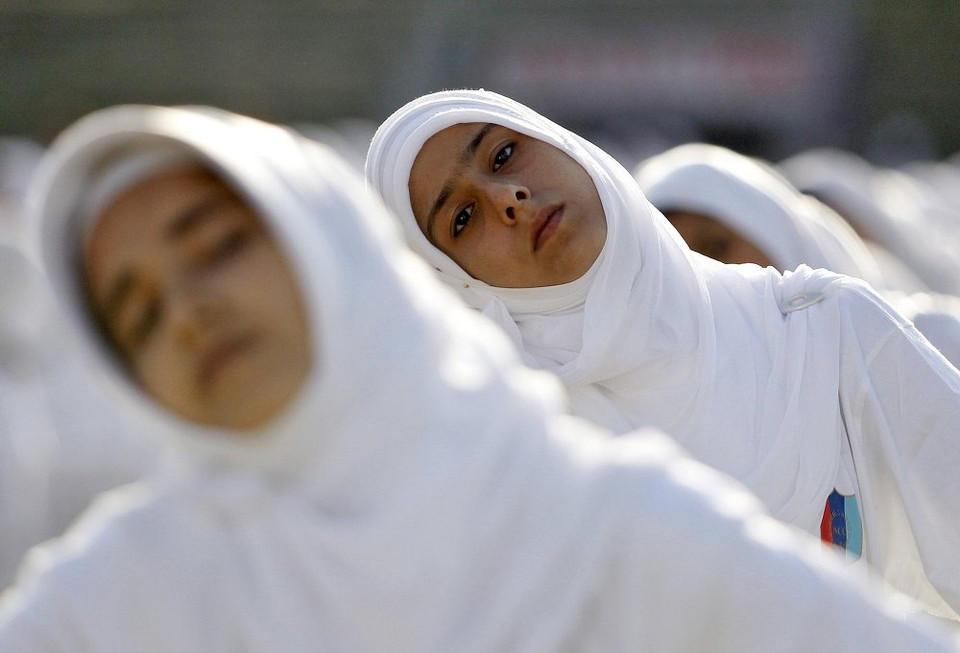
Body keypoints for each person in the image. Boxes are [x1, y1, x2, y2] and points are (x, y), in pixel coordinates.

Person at [2, 104, 957, 652]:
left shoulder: (577, 512)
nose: (188, 312)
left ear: (325, 245)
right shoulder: (129, 590)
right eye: (133, 312)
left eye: (214, 246)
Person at [365, 88, 960, 621]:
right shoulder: (513, 464)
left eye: (503, 155)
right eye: (463, 218)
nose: (508, 198)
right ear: (455, 278)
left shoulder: (832, 335)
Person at [634, 142, 960, 369]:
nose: (704, 274)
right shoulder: (666, 410)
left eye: (717, 248)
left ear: (776, 230)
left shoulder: (933, 344)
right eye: (676, 263)